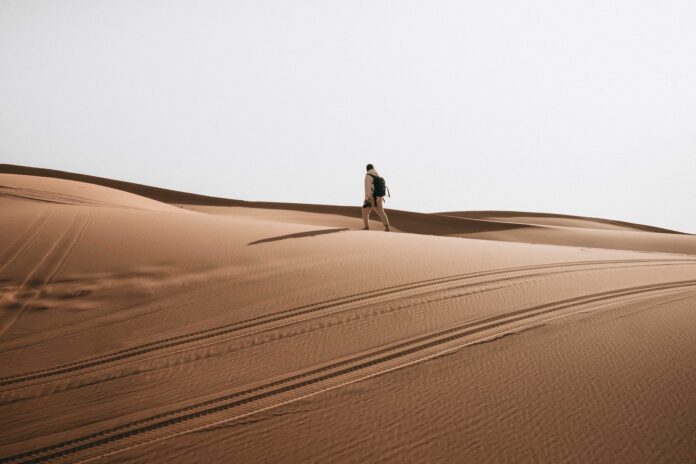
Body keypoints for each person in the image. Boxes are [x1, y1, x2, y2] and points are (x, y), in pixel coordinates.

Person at [362, 163, 390, 231]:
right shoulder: (377, 175)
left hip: (372, 197)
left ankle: (366, 227)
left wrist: (366, 199)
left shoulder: (368, 176)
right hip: (379, 197)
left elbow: (367, 188)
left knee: (364, 211)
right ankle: (387, 227)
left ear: (367, 169)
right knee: (381, 211)